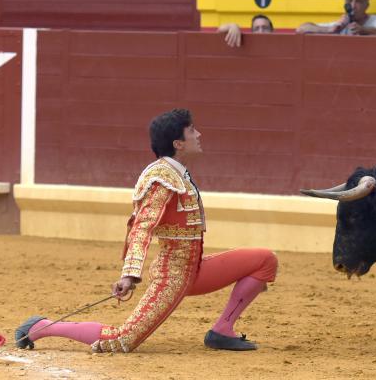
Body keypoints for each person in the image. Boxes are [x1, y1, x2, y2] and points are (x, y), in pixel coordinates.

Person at [15, 109, 278, 353]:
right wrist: (129, 274)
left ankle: (222, 330)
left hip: (194, 269)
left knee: (264, 260)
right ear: (178, 143)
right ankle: (41, 327)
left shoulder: (175, 173)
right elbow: (142, 227)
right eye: (191, 131)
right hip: (172, 276)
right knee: (122, 339)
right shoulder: (161, 179)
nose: (198, 134)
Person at [296, 0, 376, 36]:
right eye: (350, 1)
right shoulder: (340, 24)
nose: (353, 6)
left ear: (366, 5)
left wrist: (362, 29)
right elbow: (301, 29)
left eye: (358, 2)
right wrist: (330, 29)